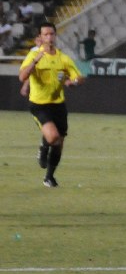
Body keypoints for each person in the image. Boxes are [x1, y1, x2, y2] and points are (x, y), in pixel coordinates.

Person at [18, 22, 86, 188]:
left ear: (55, 36)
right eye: (46, 34)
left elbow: (78, 77)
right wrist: (34, 63)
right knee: (53, 137)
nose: (49, 37)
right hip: (39, 104)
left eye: (51, 34)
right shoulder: (34, 55)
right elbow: (22, 76)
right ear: (40, 37)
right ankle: (44, 145)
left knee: (59, 143)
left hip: (58, 105)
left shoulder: (63, 58)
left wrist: (73, 82)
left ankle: (49, 177)